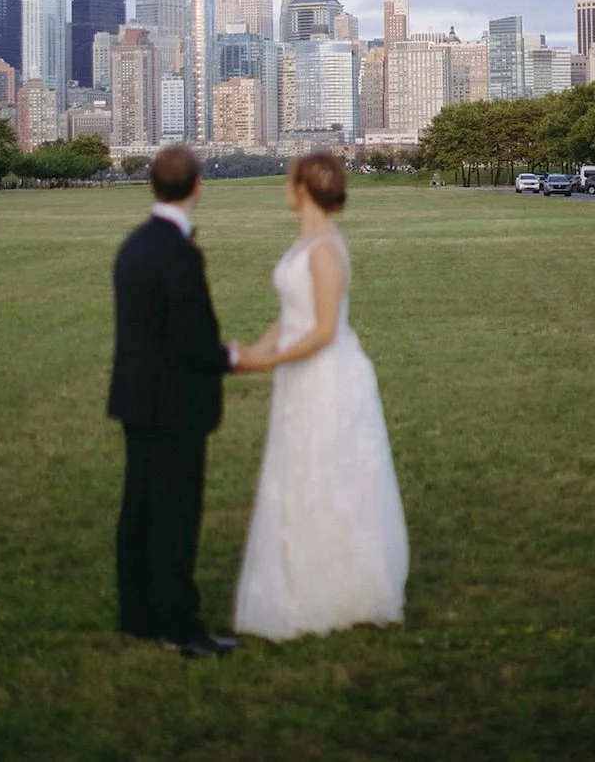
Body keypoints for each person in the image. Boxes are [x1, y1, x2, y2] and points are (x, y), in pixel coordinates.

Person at [233, 151, 409, 641]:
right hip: (298, 375)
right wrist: (252, 351)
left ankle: (342, 587)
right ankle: (302, 574)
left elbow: (325, 330)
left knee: (329, 471)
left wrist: (264, 362)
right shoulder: (306, 242)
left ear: (304, 188)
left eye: (290, 180)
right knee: (299, 469)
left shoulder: (327, 249)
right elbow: (289, 316)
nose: (285, 188)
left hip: (329, 375)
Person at [107, 144, 241, 659]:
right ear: (198, 186)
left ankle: (136, 615)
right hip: (175, 404)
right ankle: (178, 625)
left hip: (136, 399)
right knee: (175, 517)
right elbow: (189, 340)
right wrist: (230, 358)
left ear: (152, 186)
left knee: (138, 510)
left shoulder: (135, 245)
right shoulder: (178, 253)